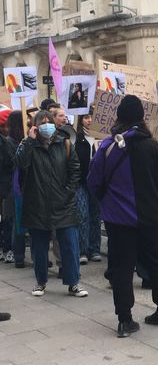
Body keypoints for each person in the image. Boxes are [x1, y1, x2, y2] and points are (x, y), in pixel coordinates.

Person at [87, 95, 158, 338]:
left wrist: (107, 201)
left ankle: (125, 319)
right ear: (142, 117)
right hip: (153, 217)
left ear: (119, 116)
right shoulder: (155, 146)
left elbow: (93, 181)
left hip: (120, 219)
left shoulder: (107, 146)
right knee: (157, 264)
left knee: (122, 268)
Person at [14, 110, 88, 298]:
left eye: (49, 121)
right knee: (39, 247)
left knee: (70, 245)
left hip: (63, 204)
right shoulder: (28, 145)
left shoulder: (65, 144)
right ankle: (40, 281)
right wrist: (30, 141)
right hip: (37, 204)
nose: (46, 125)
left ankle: (73, 282)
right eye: (42, 122)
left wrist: (68, 191)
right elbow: (20, 163)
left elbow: (75, 170)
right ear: (35, 126)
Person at [74, 114, 101, 263]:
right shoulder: (77, 138)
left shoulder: (100, 138)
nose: (90, 120)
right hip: (81, 182)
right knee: (82, 215)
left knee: (95, 215)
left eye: (92, 117)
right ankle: (82, 250)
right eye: (86, 117)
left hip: (96, 183)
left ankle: (95, 249)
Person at [6, 111, 26, 268]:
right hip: (16, 186)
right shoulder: (10, 142)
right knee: (18, 221)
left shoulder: (23, 139)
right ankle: (18, 254)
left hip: (23, 184)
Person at [0, 109, 15, 263]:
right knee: (6, 217)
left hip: (6, 185)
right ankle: (6, 248)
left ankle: (6, 248)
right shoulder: (5, 142)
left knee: (6, 217)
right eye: (3, 126)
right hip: (5, 186)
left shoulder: (7, 141)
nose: (6, 129)